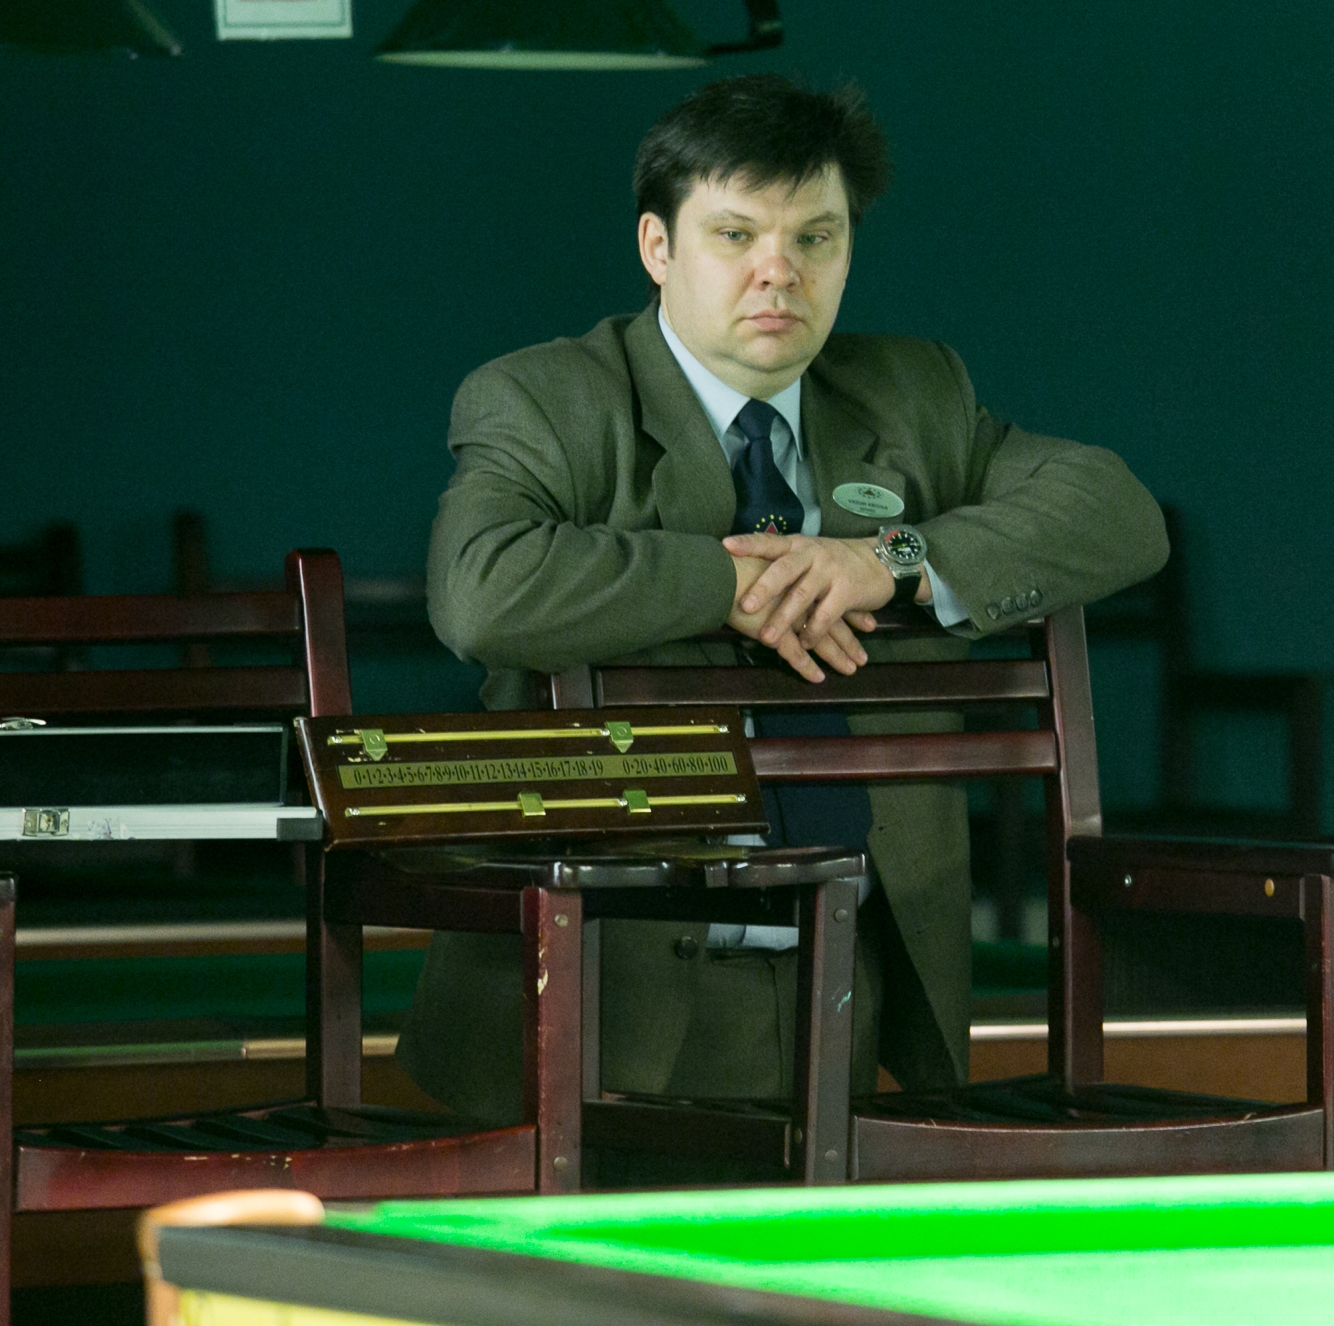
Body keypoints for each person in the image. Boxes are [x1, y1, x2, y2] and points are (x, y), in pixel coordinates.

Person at [400, 74, 1168, 1124]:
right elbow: (479, 590)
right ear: (657, 247)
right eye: (736, 235)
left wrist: (889, 557)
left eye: (817, 238)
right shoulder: (545, 398)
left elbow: (1118, 511)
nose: (780, 271)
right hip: (598, 992)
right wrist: (731, 581)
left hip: (853, 983)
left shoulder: (913, 393)